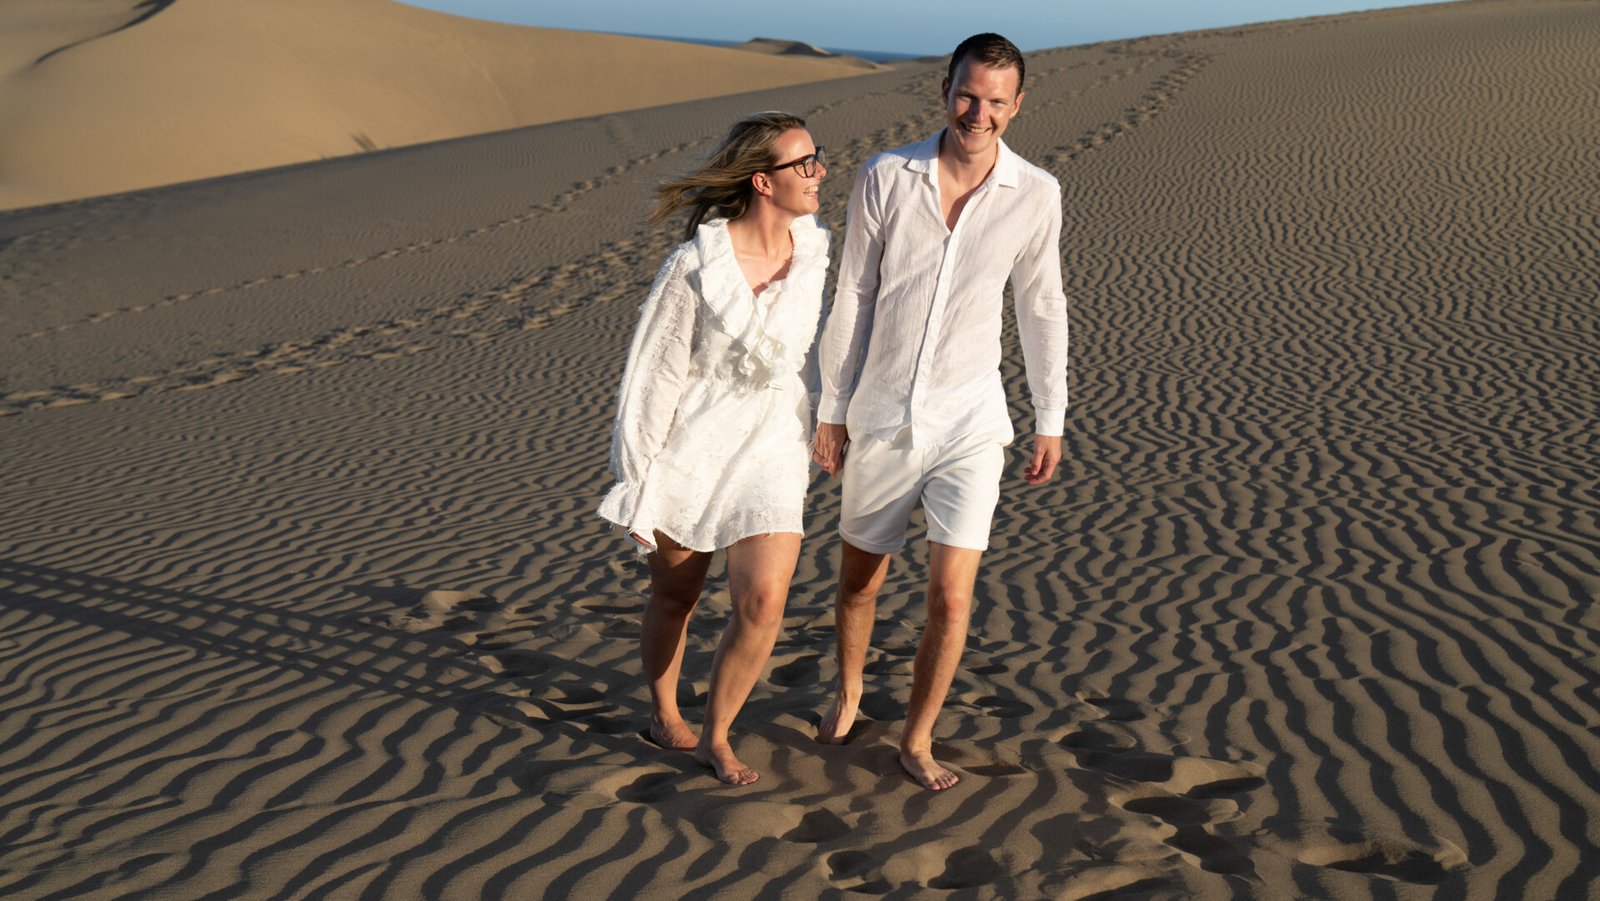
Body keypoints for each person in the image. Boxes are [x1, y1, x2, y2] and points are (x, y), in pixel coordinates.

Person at [810, 33, 1068, 791]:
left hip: (971, 422)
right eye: (967, 93)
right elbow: (853, 292)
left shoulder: (1036, 193)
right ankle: (851, 688)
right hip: (882, 413)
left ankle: (918, 737)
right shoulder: (886, 175)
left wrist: (1049, 414)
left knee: (952, 595)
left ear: (1017, 106)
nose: (978, 112)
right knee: (861, 578)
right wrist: (832, 407)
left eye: (995, 100)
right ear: (944, 90)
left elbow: (1041, 305)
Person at [598, 111, 830, 786]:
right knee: (677, 595)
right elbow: (654, 374)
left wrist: (830, 418)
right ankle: (663, 712)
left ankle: (716, 736)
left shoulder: (814, 253)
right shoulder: (694, 266)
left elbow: (814, 354)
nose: (819, 173)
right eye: (804, 164)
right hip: (694, 446)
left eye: (818, 158)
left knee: (762, 602)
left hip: (773, 445)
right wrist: (638, 480)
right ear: (763, 181)